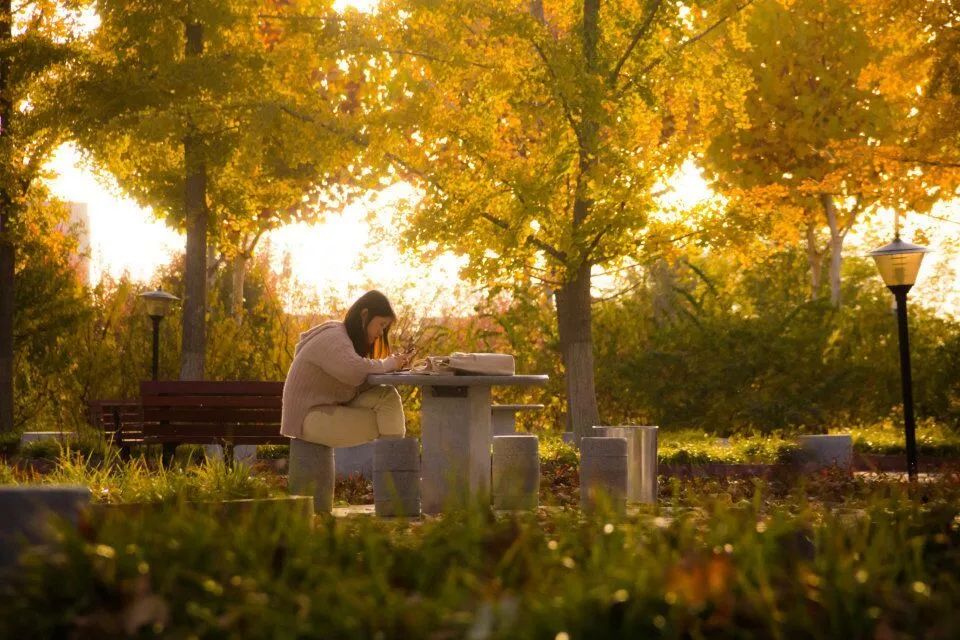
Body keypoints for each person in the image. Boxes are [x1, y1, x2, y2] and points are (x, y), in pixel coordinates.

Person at [280, 290, 414, 448]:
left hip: (327, 407)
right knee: (384, 421)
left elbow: (356, 382)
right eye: (381, 325)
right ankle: (392, 470)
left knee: (387, 396)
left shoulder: (344, 337)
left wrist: (389, 368)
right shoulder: (335, 337)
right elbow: (353, 371)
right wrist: (387, 364)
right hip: (308, 417)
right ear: (364, 315)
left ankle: (391, 468)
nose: (380, 332)